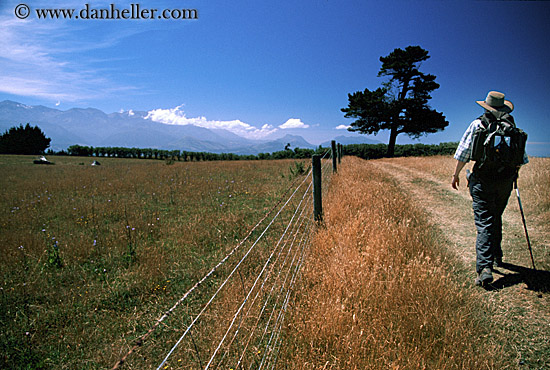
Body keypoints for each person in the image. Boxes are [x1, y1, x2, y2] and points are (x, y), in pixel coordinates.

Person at [451, 91, 528, 287]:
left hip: (482, 180)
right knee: (496, 216)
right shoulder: (511, 127)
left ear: (486, 106)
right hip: (505, 181)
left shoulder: (478, 124)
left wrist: (456, 174)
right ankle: (497, 256)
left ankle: (485, 268)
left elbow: (463, 153)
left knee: (484, 222)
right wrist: (513, 174)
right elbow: (521, 158)